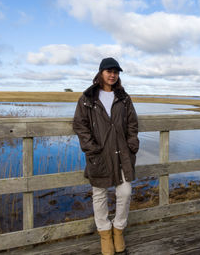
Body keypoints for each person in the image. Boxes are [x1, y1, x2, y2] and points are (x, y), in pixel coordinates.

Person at [73, 57, 139, 255]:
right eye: (109, 71)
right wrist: (90, 147)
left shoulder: (124, 97)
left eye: (116, 72)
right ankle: (104, 234)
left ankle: (118, 230)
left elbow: (132, 123)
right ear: (100, 72)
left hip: (122, 153)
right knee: (100, 194)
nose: (112, 75)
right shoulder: (88, 98)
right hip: (99, 154)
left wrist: (132, 143)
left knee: (125, 192)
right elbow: (79, 124)